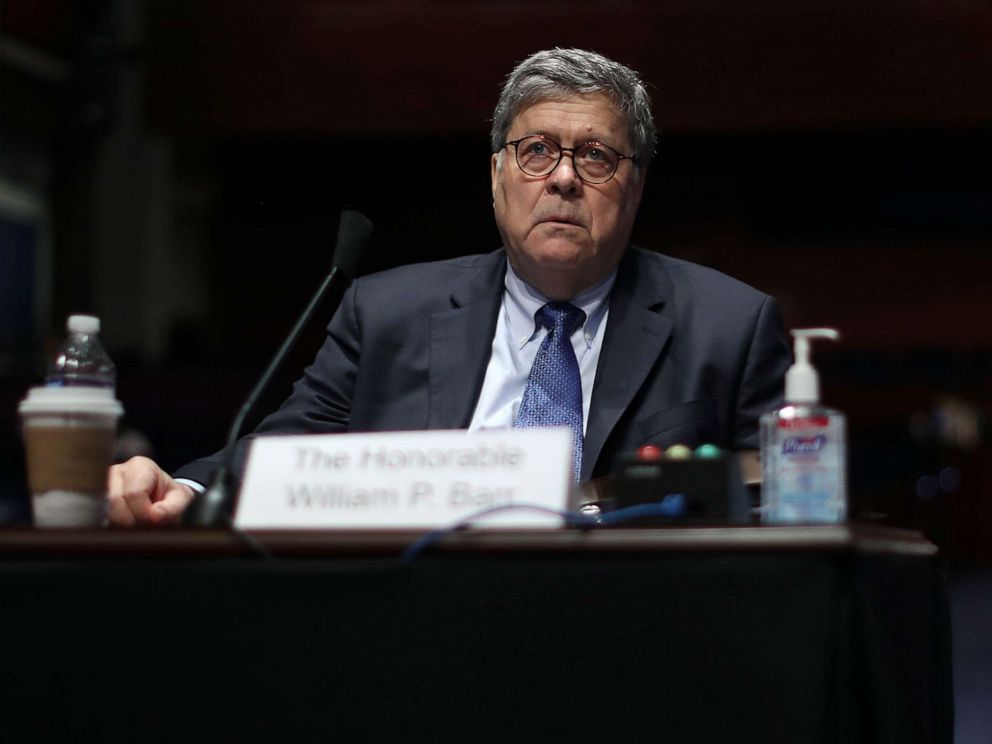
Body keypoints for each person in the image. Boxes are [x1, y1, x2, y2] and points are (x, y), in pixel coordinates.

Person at [107, 47, 791, 527]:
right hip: (422, 612)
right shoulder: (386, 313)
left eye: (596, 156)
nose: (561, 178)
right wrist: (188, 487)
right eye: (536, 151)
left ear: (635, 187)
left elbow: (779, 510)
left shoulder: (730, 325)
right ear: (497, 176)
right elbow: (290, 451)